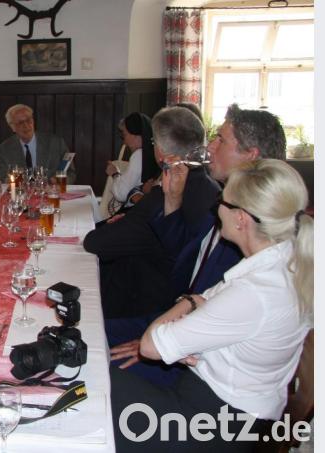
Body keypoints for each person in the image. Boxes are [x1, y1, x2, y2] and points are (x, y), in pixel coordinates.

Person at [112, 159, 313, 452]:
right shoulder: (285, 263)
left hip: (207, 424)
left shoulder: (254, 292)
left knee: (91, 384)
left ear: (241, 218)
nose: (216, 208)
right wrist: (196, 320)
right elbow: (215, 312)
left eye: (222, 201)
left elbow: (151, 345)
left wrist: (188, 301)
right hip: (231, 410)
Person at [109, 104, 288, 385]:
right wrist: (172, 201)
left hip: (199, 362)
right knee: (83, 335)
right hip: (177, 322)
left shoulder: (256, 230)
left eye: (221, 140)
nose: (210, 147)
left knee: (91, 363)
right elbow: (181, 258)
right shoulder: (222, 200)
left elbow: (226, 321)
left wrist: (157, 341)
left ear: (250, 155)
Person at [83, 106, 220, 319]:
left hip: (148, 306)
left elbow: (95, 243)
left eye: (154, 143)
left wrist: (129, 222)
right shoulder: (211, 185)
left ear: (162, 151)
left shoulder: (166, 195)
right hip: (184, 296)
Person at [0, 104, 75, 183]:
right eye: (20, 123)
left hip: (51, 189)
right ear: (12, 127)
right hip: (20, 190)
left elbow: (70, 173)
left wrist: (58, 181)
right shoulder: (4, 149)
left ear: (33, 121)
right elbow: (2, 176)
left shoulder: (56, 143)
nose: (26, 125)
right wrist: (10, 181)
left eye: (28, 120)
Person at [104, 112, 161, 210]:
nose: (124, 142)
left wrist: (114, 173)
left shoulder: (139, 155)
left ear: (136, 135)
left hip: (137, 211)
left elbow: (121, 194)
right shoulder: (153, 151)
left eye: (125, 135)